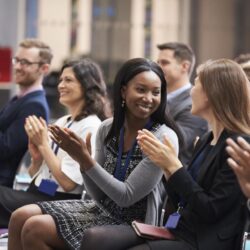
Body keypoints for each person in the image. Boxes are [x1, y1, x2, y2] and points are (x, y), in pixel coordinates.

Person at [8, 58, 181, 250]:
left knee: (35, 227)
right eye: (141, 90)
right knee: (19, 216)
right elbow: (97, 195)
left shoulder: (163, 136)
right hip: (99, 208)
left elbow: (126, 197)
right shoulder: (107, 128)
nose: (149, 98)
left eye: (155, 92)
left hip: (135, 220)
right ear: (123, 91)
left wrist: (84, 159)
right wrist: (83, 162)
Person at [77, 58, 250, 250]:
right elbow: (180, 201)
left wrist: (173, 166)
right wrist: (169, 170)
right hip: (180, 230)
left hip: (204, 241)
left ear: (211, 93)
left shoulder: (238, 144)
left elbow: (210, 210)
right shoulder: (206, 139)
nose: (191, 90)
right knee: (96, 240)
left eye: (197, 84)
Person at [0, 59, 110, 228]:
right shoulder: (62, 121)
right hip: (39, 192)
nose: (61, 85)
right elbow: (34, 174)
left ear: (87, 85)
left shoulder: (91, 125)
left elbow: (68, 184)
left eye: (68, 80)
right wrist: (37, 157)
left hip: (59, 200)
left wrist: (44, 145)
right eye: (61, 80)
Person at [0, 38, 52, 187]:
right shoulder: (20, 98)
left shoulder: (35, 106)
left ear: (44, 69)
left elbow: (5, 149)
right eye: (16, 60)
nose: (17, 66)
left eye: (25, 63)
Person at [157, 42, 208, 167]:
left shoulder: (195, 104)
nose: (158, 67)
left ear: (184, 66)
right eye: (157, 63)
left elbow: (178, 142)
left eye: (164, 63)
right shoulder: (157, 97)